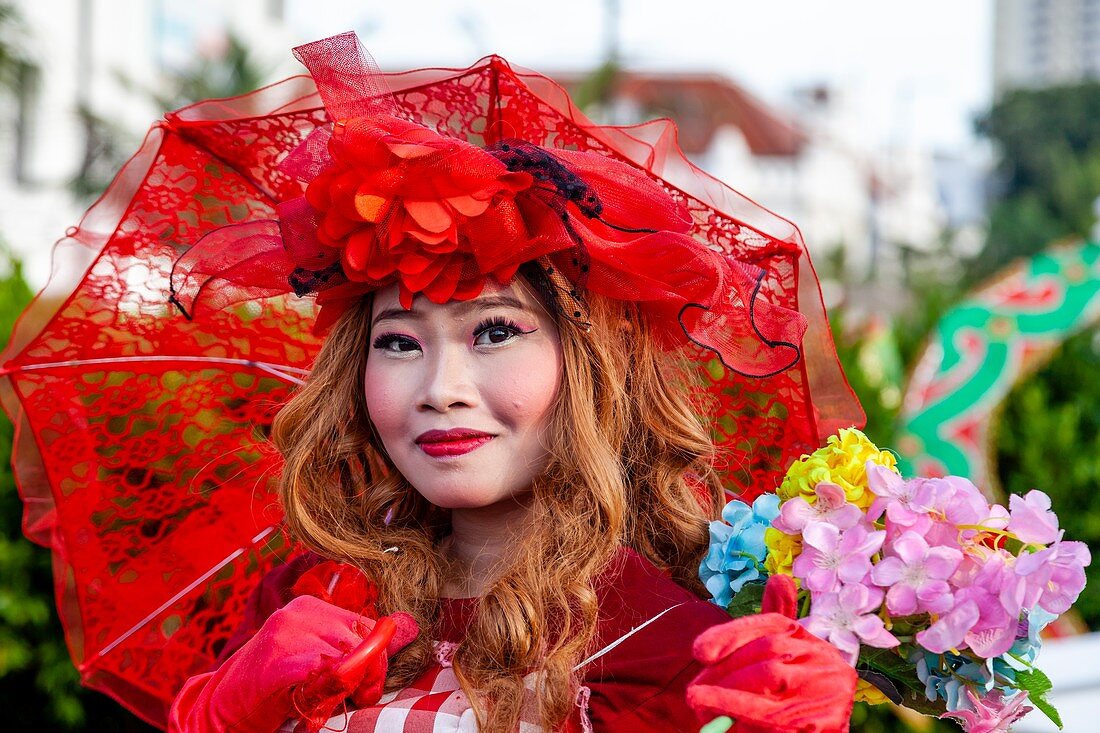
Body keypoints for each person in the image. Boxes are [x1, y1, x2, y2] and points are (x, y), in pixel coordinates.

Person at [166, 33, 858, 733]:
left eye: (495, 331)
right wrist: (220, 712)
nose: (442, 388)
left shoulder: (678, 645)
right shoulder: (310, 598)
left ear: (597, 362)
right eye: (398, 343)